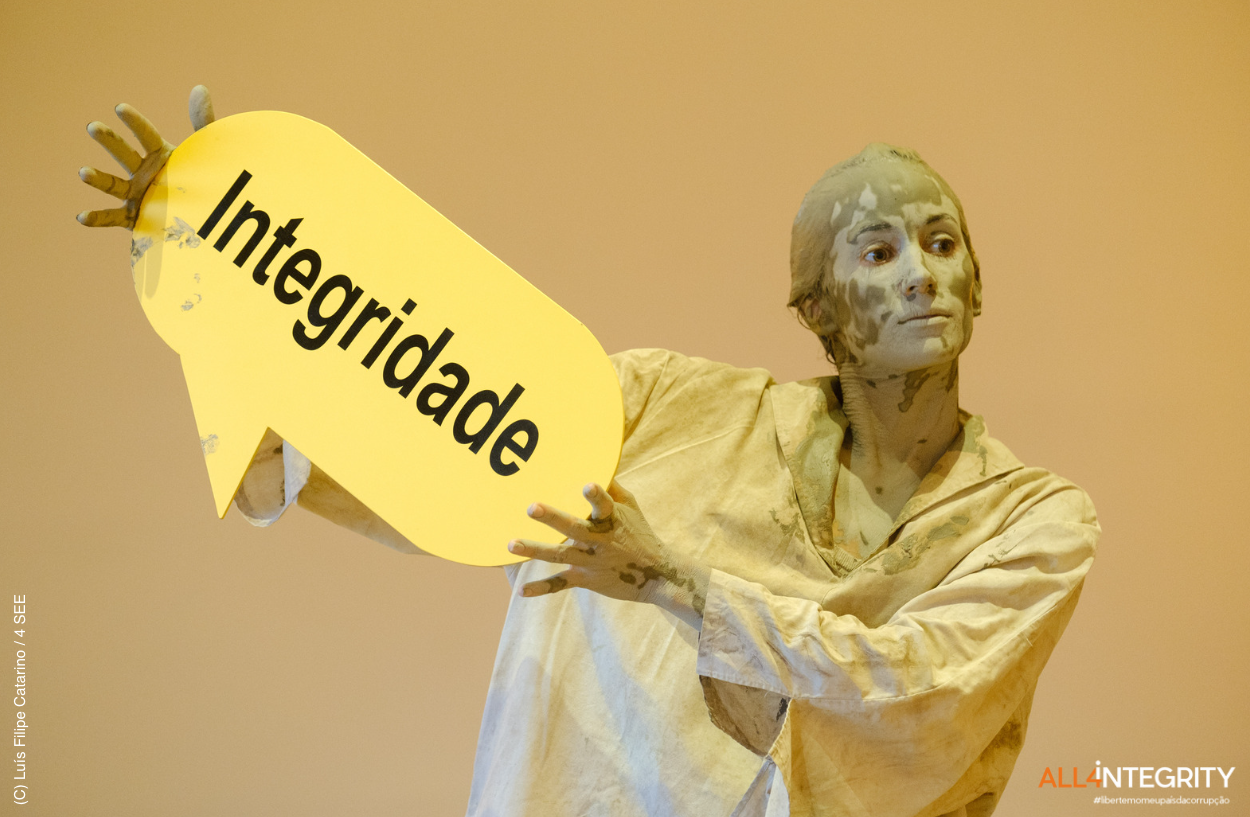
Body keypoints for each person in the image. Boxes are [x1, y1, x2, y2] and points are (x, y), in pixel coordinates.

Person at [79, 88, 1098, 817]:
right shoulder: (658, 404)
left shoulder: (1035, 520)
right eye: (877, 252)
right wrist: (228, 252)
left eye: (941, 243)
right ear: (816, 308)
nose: (919, 274)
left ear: (978, 279)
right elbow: (420, 441)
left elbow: (922, 689)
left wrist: (676, 581)